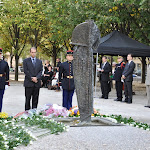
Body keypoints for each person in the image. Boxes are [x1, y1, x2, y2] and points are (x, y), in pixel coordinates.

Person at [0, 48, 9, 112]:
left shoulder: (4, 63)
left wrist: (6, 83)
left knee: (0, 98)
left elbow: (7, 74)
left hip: (1, 82)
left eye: (0, 54)